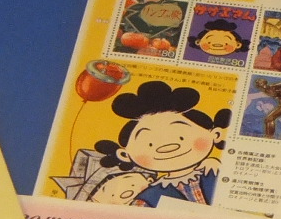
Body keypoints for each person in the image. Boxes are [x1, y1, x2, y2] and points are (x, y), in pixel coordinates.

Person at [84, 81, 230, 207]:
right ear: (125, 154)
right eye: (150, 144)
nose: (166, 146)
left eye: (181, 136)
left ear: (215, 134)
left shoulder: (215, 172)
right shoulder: (148, 197)